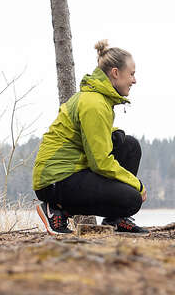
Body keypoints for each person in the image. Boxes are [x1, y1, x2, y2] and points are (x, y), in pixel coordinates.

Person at [31, 41, 147, 234]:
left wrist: (113, 131)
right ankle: (56, 208)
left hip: (71, 171)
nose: (134, 80)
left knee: (129, 145)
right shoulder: (94, 103)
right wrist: (138, 185)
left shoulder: (98, 99)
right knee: (132, 199)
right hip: (55, 180)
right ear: (116, 73)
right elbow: (100, 163)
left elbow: (89, 133)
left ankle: (115, 219)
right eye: (132, 74)